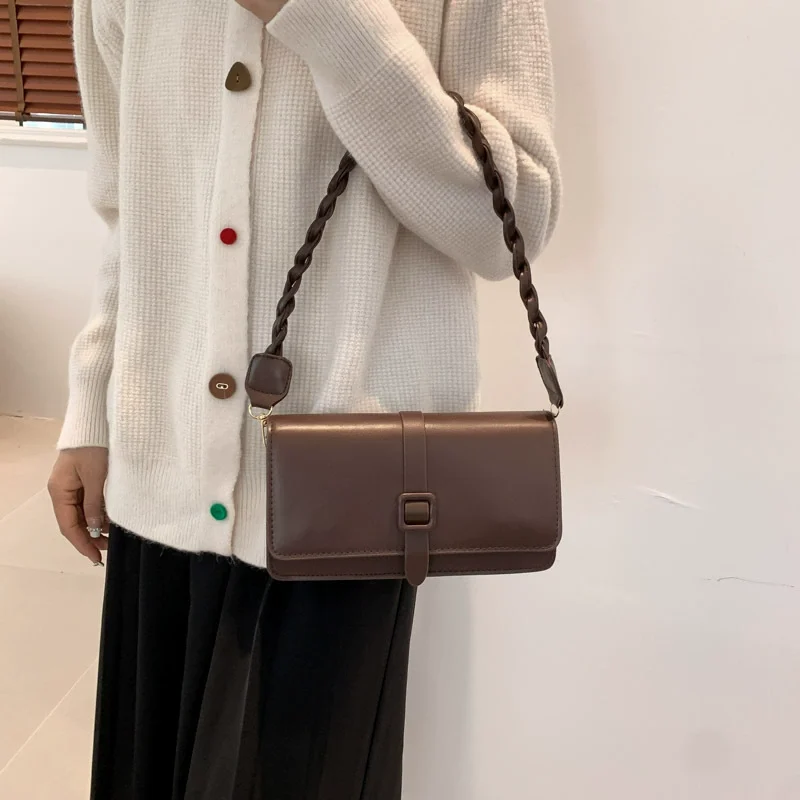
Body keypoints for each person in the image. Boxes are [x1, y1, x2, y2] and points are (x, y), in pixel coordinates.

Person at [47, 0, 561, 796]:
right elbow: (130, 208)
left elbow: (511, 227)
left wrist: (321, 15)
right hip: (159, 480)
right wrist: (91, 402)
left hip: (348, 504)